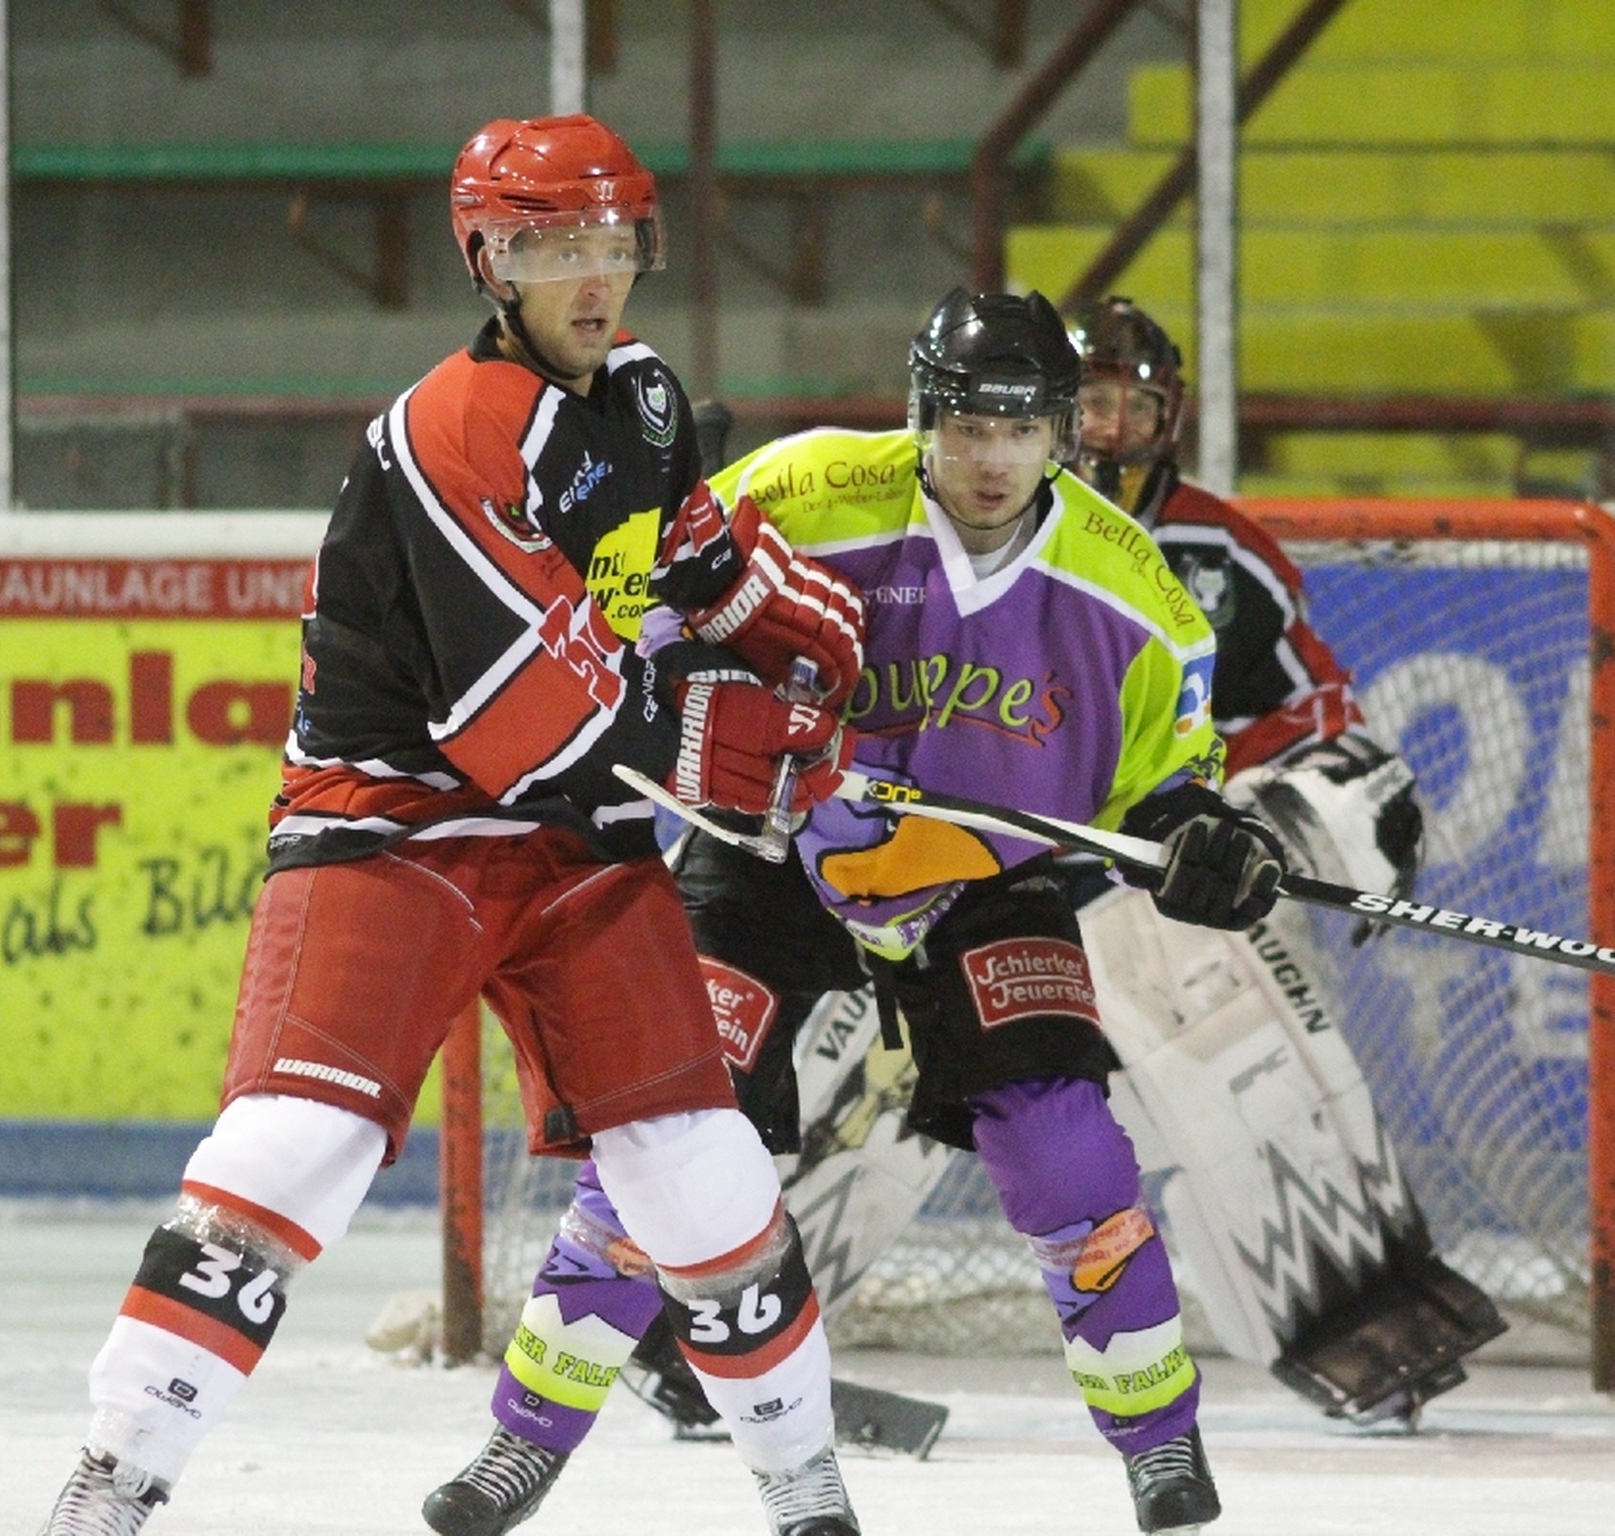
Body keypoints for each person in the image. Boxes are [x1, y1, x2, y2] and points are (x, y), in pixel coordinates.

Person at [37, 113, 873, 1536]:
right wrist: (719, 746)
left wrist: (783, 636)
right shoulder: (451, 432)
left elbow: (687, 566)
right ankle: (110, 1485)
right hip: (398, 824)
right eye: (553, 244)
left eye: (614, 241)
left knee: (700, 1166)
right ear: (490, 256)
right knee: (298, 1145)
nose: (592, 274)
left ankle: (808, 1494)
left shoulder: (649, 397)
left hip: (571, 839)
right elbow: (522, 719)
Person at [426, 287, 1288, 1536]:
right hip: (772, 852)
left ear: (1064, 434)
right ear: (922, 414)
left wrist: (1204, 840)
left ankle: (1158, 1440)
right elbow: (638, 633)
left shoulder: (1136, 592)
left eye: (1021, 429)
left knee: (1066, 1151)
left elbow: (1169, 787)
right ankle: (525, 1441)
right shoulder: (807, 493)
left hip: (982, 878)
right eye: (965, 426)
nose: (990, 460)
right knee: (660, 1138)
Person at [1060, 296, 1505, 1423]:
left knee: (1264, 1077)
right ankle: (721, 1311)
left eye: (1131, 403)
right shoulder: (987, 525)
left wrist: (1249, 804)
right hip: (1010, 879)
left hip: (1169, 878)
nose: (1110, 429)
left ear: (1169, 416)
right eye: (1091, 401)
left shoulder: (1219, 546)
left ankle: (1354, 1315)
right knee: (876, 1095)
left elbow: (1319, 707)